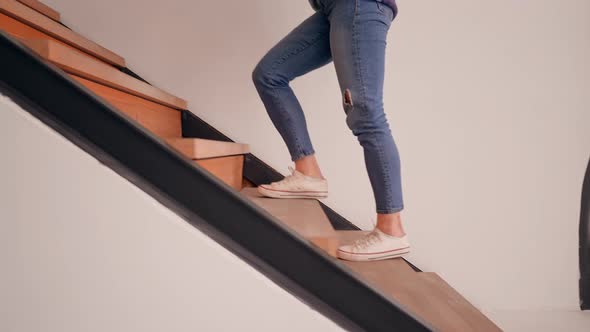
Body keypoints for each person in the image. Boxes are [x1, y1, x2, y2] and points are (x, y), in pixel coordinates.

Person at [252, 0, 408, 262]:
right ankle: (308, 173)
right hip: (333, 8)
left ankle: (391, 229)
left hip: (359, 5)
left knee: (366, 113)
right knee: (270, 75)